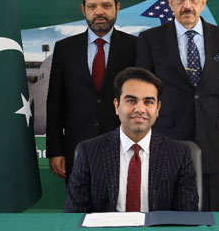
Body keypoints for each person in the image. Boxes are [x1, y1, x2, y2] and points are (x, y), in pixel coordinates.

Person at [136, 0, 219, 211]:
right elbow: (144, 93)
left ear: (203, 2)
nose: (187, 5)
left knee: (210, 216)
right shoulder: (149, 40)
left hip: (212, 144)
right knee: (166, 215)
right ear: (171, 3)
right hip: (167, 140)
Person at [65, 67, 199, 213]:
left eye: (148, 102)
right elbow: (75, 216)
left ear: (158, 108)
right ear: (117, 106)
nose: (140, 109)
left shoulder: (179, 154)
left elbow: (187, 216)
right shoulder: (89, 152)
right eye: (131, 101)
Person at [46, 0, 137, 180]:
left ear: (117, 8)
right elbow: (55, 103)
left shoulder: (136, 47)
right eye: (92, 7)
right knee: (79, 209)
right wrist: (55, 150)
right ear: (83, 10)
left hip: (124, 149)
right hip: (75, 150)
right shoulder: (64, 49)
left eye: (106, 5)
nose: (99, 12)